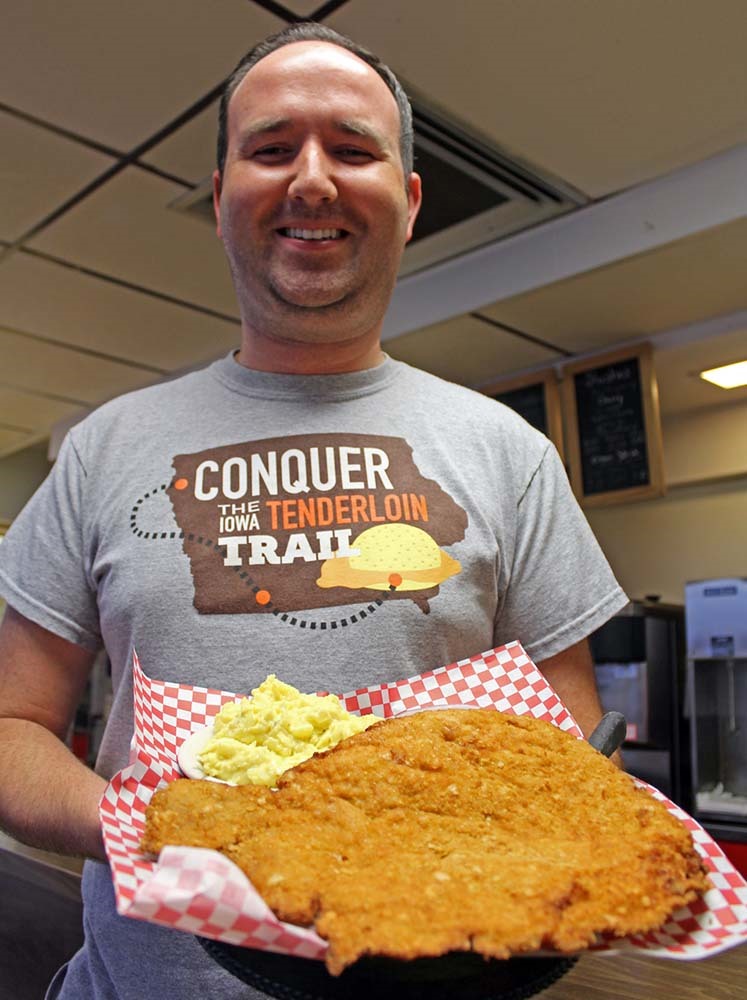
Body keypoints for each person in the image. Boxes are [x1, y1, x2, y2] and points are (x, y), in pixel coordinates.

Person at [0, 22, 628, 1000]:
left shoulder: (511, 452)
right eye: (269, 146)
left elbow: (566, 750)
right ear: (219, 201)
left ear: (410, 200)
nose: (311, 179)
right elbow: (13, 725)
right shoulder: (104, 447)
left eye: (352, 147)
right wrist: (150, 825)